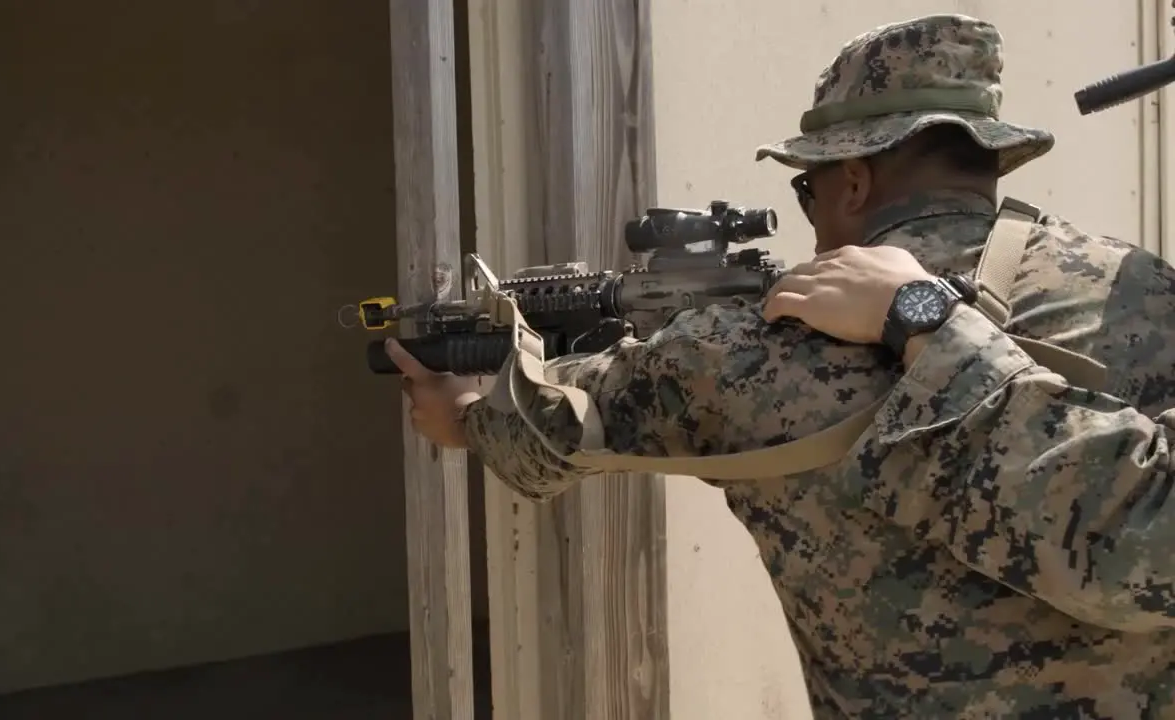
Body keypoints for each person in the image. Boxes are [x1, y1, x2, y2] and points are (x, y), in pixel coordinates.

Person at [389, 13, 1175, 718]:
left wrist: (461, 412)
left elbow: (546, 436)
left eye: (810, 191)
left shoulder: (746, 347)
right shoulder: (1140, 288)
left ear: (855, 179)